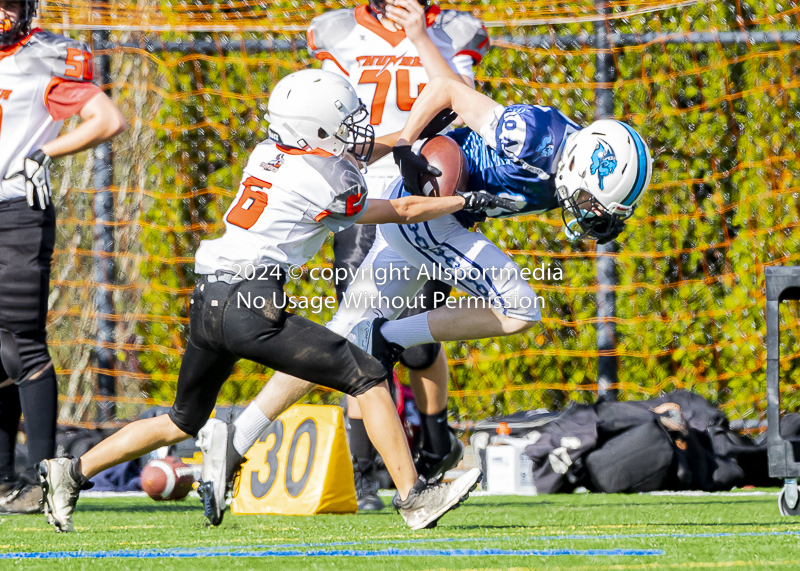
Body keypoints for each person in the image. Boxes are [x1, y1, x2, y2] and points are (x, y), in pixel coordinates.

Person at [36, 69, 501, 533]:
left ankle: (71, 472)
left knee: (182, 420)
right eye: (343, 121)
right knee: (368, 375)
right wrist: (464, 202)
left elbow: (350, 152)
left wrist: (408, 136)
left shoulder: (268, 152)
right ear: (316, 129)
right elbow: (399, 210)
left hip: (208, 301)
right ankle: (414, 497)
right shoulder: (329, 180)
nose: (354, 129)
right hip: (250, 305)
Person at [208, 77, 653, 511]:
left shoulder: (572, 159)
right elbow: (447, 89)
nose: (592, 214)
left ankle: (235, 439)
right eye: (594, 201)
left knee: (342, 335)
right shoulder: (532, 137)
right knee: (520, 307)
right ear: (578, 166)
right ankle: (391, 337)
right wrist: (406, 140)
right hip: (430, 212)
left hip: (430, 220)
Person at [296, 0, 490, 510]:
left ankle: (435, 442)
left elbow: (464, 102)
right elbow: (328, 119)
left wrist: (421, 35)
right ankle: (363, 474)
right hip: (363, 202)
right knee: (357, 337)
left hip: (424, 199)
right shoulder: (338, 31)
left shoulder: (452, 29)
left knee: (420, 341)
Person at [0, 0, 126, 514]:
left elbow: (107, 118)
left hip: (14, 209)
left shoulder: (48, 54)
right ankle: (7, 481)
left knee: (20, 344)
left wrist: (44, 153)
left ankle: (46, 478)